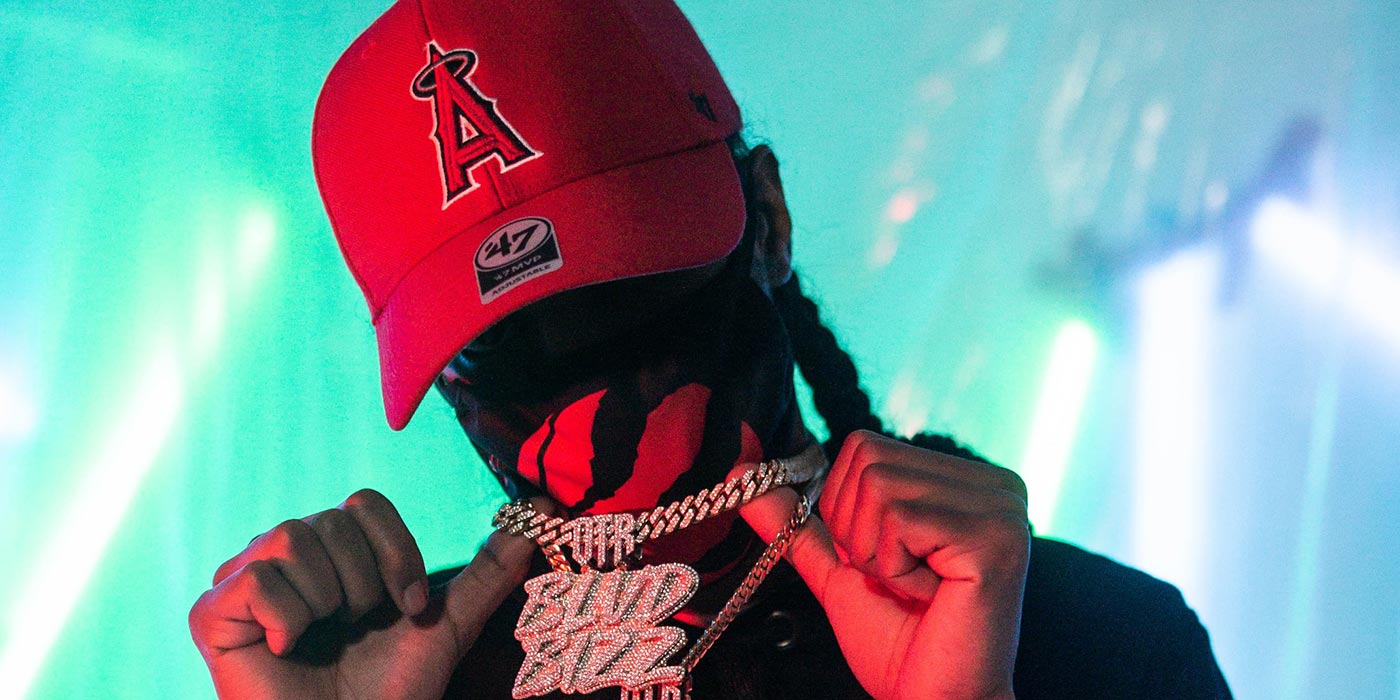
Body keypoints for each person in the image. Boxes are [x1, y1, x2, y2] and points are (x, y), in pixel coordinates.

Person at [188, 1, 1233, 698]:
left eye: (630, 289)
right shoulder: (399, 673)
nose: (586, 374)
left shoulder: (1092, 641)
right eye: (505, 344)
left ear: (765, 217)